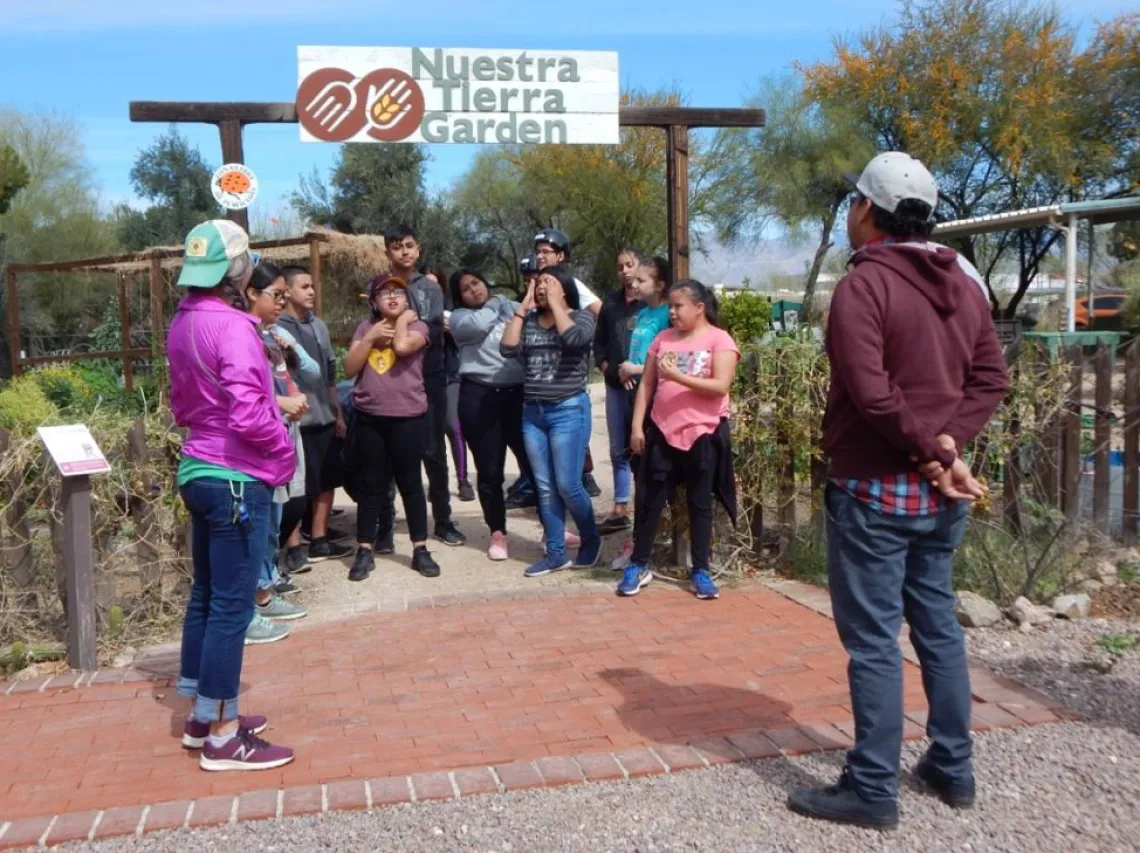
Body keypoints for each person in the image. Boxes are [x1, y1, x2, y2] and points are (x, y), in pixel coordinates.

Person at [786, 152, 1009, 830]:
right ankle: (952, 763)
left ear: (863, 209)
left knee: (876, 639)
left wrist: (928, 448)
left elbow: (872, 393)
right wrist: (946, 448)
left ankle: (873, 786)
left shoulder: (864, 287)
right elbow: (989, 380)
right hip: (939, 494)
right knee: (937, 624)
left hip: (874, 488)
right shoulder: (964, 285)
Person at [167, 219, 295, 771]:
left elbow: (180, 402)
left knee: (207, 594)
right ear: (238, 270)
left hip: (198, 467)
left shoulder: (183, 322)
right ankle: (222, 734)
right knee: (232, 606)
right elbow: (247, 412)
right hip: (237, 477)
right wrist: (282, 455)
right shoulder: (235, 327)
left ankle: (202, 713)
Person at [620, 280, 739, 601]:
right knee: (650, 501)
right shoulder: (662, 339)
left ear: (699, 308)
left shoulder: (719, 339)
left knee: (700, 503)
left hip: (704, 433)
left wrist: (676, 376)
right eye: (670, 306)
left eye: (678, 306)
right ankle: (638, 564)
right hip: (662, 430)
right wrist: (637, 427)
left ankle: (700, 569)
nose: (671, 312)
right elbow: (646, 385)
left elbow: (720, 386)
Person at [501, 265, 601, 576]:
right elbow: (506, 348)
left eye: (548, 282)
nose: (541, 287)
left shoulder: (583, 316)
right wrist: (523, 307)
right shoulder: (529, 320)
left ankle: (590, 539)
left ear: (564, 287)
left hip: (568, 410)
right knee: (544, 487)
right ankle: (556, 553)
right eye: (537, 283)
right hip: (533, 413)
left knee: (568, 485)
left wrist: (558, 303)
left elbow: (573, 340)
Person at [343, 273, 442, 582]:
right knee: (371, 486)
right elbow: (349, 367)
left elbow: (401, 347)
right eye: (384, 293)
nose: (392, 297)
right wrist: (371, 337)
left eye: (398, 292)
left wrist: (402, 322)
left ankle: (420, 549)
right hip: (370, 417)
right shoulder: (364, 328)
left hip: (408, 417)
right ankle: (364, 550)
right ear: (374, 302)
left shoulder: (419, 328)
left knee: (411, 484)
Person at [379, 227, 466, 549]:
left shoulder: (430, 288)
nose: (404, 252)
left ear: (418, 249)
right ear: (388, 251)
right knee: (390, 454)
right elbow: (379, 328)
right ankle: (384, 525)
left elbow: (429, 328)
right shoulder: (381, 285)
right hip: (390, 377)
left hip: (430, 376)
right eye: (397, 247)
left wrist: (401, 328)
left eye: (409, 246)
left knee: (434, 451)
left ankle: (442, 519)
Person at [242, 260, 309, 640]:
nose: (283, 302)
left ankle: (264, 593)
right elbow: (239, 394)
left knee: (272, 520)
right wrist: (279, 404)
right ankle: (249, 607)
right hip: (257, 444)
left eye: (285, 295)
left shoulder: (269, 336)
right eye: (277, 295)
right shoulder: (242, 336)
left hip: (279, 438)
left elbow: (304, 371)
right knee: (257, 525)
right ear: (252, 293)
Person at [450, 268, 532, 560]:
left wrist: (513, 308)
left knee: (536, 465)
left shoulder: (512, 307)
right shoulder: (459, 318)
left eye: (476, 282)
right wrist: (497, 304)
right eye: (466, 289)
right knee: (490, 471)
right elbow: (482, 322)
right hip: (479, 397)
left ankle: (553, 528)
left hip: (518, 395)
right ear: (459, 297)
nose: (474, 290)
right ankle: (498, 532)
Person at [275, 265, 350, 565]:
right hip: (293, 419)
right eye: (304, 286)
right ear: (288, 290)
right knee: (294, 485)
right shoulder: (275, 329)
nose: (311, 292)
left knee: (326, 479)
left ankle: (319, 539)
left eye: (312, 286)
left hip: (323, 413)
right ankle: (294, 547)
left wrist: (337, 410)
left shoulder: (319, 326)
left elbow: (330, 371)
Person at [611, 256, 673, 570]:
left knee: (653, 475)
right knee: (637, 469)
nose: (634, 284)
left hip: (655, 402)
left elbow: (667, 363)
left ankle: (646, 543)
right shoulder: (644, 313)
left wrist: (634, 368)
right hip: (635, 397)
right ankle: (641, 539)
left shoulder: (667, 315)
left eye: (642, 281)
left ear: (660, 284)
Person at [533, 228, 603, 498]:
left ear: (561, 256)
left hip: (567, 379)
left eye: (546, 252)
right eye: (538, 252)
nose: (540, 256)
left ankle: (584, 476)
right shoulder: (535, 284)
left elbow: (600, 312)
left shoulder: (572, 285)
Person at [593, 248, 644, 536]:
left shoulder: (650, 306)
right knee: (617, 449)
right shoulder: (611, 303)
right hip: (615, 387)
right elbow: (598, 343)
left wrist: (634, 370)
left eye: (630, 264)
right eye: (620, 266)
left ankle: (649, 505)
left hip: (645, 386)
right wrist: (609, 369)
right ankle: (620, 508)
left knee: (643, 446)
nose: (625, 271)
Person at [424, 262, 475, 503]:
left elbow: (466, 339)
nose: (430, 290)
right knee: (431, 434)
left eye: (435, 285)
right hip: (424, 376)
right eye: (426, 284)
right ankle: (438, 484)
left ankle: (463, 480)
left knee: (453, 427)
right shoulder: (415, 310)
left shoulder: (453, 311)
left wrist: (451, 329)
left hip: (451, 374)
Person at [505, 255, 541, 511]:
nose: (531, 281)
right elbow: (508, 347)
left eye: (534, 276)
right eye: (527, 276)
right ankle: (528, 481)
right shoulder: (523, 309)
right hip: (526, 385)